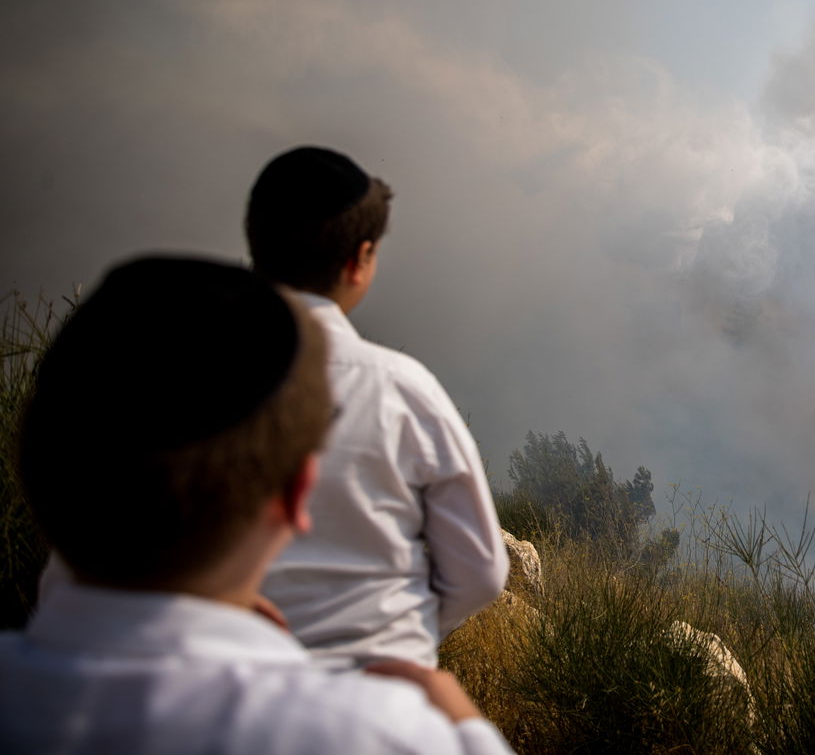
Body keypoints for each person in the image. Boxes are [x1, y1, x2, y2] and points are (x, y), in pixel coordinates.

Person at [0, 257, 514, 754]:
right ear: (296, 493)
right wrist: (465, 728)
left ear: (33, 467)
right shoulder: (374, 734)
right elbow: (483, 573)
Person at [245, 146, 508, 668]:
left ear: (256, 244)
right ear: (358, 260)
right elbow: (481, 574)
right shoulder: (402, 389)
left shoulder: (164, 372)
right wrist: (400, 638)